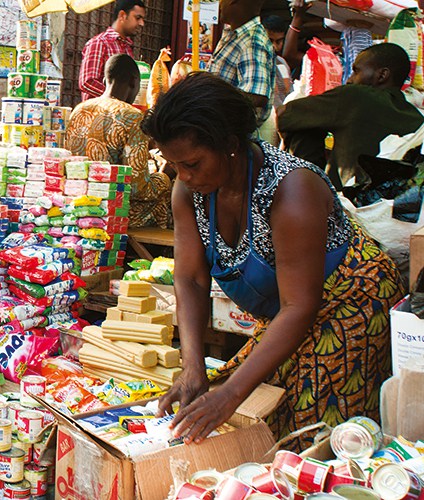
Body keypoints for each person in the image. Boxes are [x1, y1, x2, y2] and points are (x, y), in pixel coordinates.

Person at [141, 73, 403, 450]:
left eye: (193, 163)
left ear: (231, 144)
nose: (183, 176)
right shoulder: (190, 191)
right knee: (260, 407)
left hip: (352, 303)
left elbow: (300, 305)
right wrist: (193, 367)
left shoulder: (291, 189)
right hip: (290, 308)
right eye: (174, 164)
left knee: (317, 434)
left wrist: (229, 396)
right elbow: (191, 280)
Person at [277, 43, 424, 189]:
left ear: (382, 75)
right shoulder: (417, 117)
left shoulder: (355, 95)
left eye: (356, 71)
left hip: (345, 201)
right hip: (391, 204)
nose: (350, 79)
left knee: (303, 125)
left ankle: (304, 193)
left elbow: (284, 113)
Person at [67, 54, 173, 228]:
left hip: (78, 205)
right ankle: (157, 250)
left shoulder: (79, 110)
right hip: (108, 213)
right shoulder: (132, 116)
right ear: (133, 82)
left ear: (104, 80)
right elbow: (138, 188)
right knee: (167, 193)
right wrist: (165, 176)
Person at [208, 0, 275, 136]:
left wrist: (211, 98)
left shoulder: (252, 41)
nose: (219, 4)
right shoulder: (234, 35)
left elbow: (257, 95)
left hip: (233, 135)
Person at [78, 0, 146, 101]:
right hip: (98, 114)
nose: (142, 23)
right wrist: (115, 97)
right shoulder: (100, 43)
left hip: (120, 113)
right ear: (122, 15)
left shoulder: (127, 48)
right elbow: (87, 82)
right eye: (137, 18)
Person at [261, 15, 294, 111]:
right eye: (270, 40)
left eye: (278, 41)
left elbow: (288, 91)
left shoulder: (281, 63)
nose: (274, 46)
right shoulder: (255, 63)